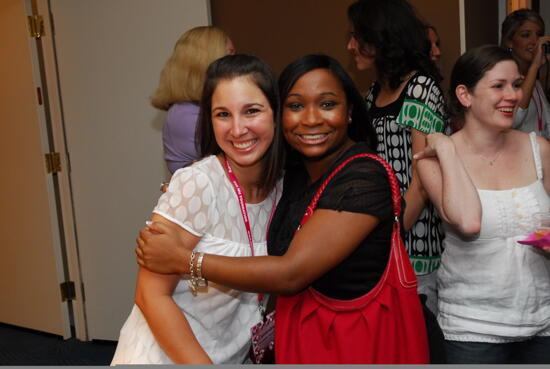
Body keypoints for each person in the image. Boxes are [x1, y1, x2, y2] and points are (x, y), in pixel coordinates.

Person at [136, 54, 430, 364]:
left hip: (356, 343)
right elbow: (150, 293)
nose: (312, 119)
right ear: (282, 117)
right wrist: (192, 188)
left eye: (327, 104)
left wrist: (185, 260)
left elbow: (290, 273)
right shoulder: (290, 176)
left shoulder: (362, 178)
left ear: (351, 111)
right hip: (288, 343)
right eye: (296, 106)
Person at [111, 54, 285, 364]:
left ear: (275, 113)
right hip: (164, 357)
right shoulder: (197, 183)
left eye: (252, 111)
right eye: (222, 114)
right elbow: (150, 294)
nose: (237, 129)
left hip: (229, 356)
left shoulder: (283, 188)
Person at [416, 44, 550, 364]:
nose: (514, 96)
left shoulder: (540, 149)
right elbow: (468, 222)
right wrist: (447, 149)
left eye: (516, 84)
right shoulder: (432, 160)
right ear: (465, 95)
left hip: (542, 324)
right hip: (472, 333)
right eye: (498, 86)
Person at [346, 0, 445, 313]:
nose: (350, 46)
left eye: (356, 37)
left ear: (379, 39)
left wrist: (394, 236)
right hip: (385, 234)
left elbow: (422, 181)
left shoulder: (421, 88)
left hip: (414, 243)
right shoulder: (374, 92)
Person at [151, 26, 236, 174]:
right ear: (205, 63)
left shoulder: (205, 108)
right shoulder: (186, 115)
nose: (238, 65)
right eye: (230, 56)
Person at [501, 8, 550, 138]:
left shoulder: (535, 82)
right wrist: (535, 66)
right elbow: (515, 119)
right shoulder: (503, 80)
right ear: (509, 42)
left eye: (539, 35)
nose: (535, 42)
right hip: (519, 156)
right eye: (526, 35)